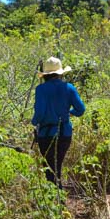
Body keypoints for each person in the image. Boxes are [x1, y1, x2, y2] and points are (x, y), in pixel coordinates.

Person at [32, 56, 85, 188]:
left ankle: (55, 200)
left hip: (46, 134)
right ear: (60, 73)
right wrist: (69, 113)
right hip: (64, 133)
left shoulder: (41, 89)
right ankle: (57, 198)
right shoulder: (69, 88)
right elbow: (81, 109)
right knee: (57, 166)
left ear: (46, 75)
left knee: (49, 169)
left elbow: (39, 114)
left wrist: (33, 122)